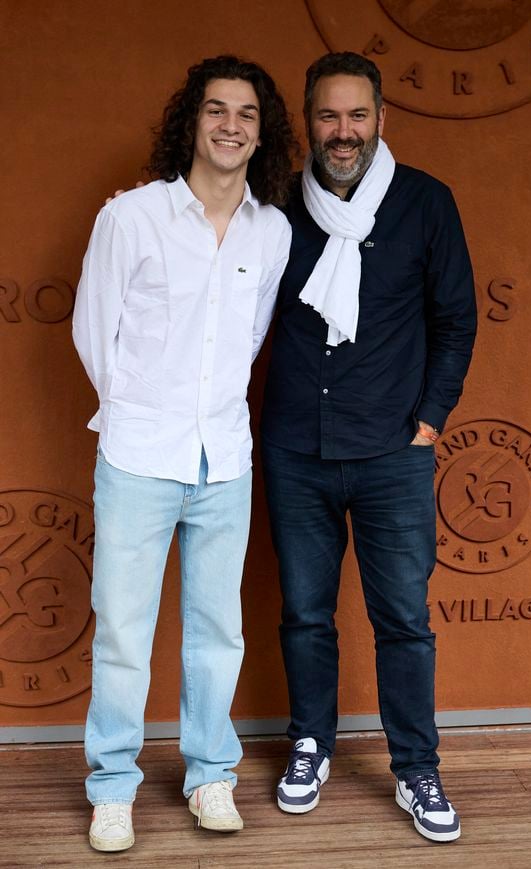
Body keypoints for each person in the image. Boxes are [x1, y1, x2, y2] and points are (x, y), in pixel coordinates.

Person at [73, 55, 295, 851]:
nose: (230, 125)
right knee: (125, 630)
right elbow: (93, 331)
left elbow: (251, 337)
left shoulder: (273, 231)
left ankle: (210, 776)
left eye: (246, 114)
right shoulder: (130, 218)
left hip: (225, 459)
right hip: (138, 452)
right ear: (192, 120)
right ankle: (112, 788)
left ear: (260, 133)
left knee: (216, 629)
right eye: (216, 109)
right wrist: (134, 407)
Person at [260, 52, 477, 843]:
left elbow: (456, 319)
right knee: (307, 614)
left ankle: (417, 766)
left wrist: (430, 421)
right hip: (294, 447)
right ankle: (309, 744)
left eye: (357, 116)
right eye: (327, 116)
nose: (342, 132)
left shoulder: (425, 204)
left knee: (403, 621)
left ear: (382, 119)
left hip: (393, 451)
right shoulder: (277, 203)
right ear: (309, 120)